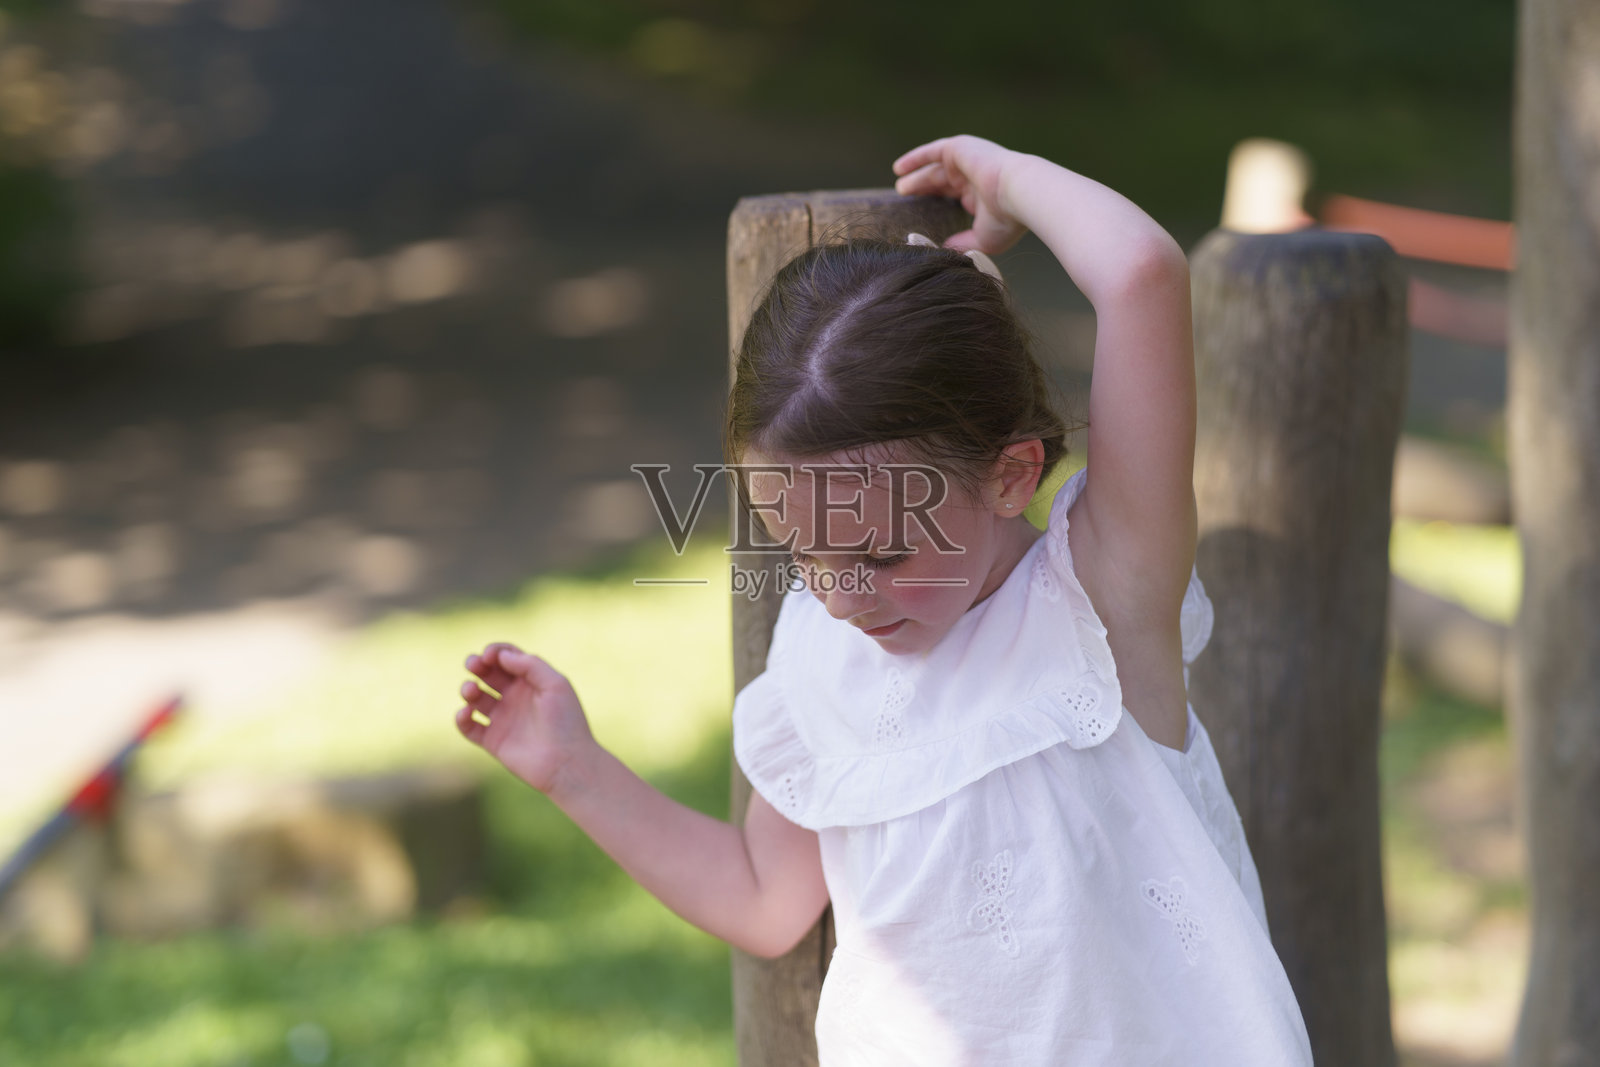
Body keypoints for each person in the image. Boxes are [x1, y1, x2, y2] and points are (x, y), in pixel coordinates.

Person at [452, 134, 1314, 1064]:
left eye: (883, 552)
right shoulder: (820, 662)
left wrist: (1007, 179)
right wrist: (574, 767)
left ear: (1010, 474)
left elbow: (1142, 272)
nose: (838, 597)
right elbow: (760, 896)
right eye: (801, 554)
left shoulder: (1101, 599)